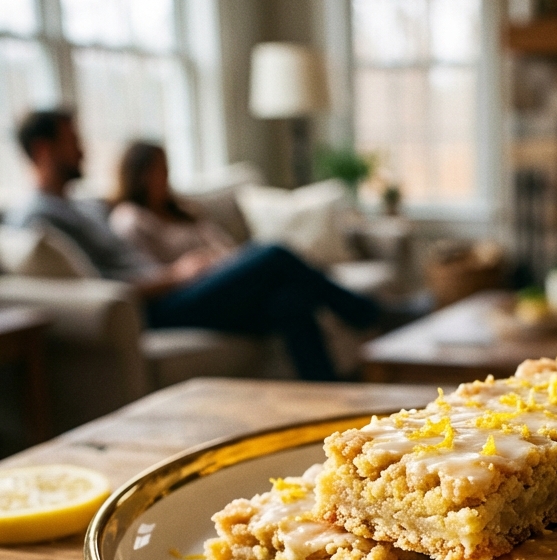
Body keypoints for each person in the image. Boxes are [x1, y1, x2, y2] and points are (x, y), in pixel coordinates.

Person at [9, 110, 379, 381]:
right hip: (153, 306)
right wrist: (176, 274)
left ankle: (331, 403)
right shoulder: (38, 216)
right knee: (273, 254)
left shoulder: (80, 205)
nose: (84, 151)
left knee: (291, 301)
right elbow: (101, 287)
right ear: (43, 149)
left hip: (171, 290)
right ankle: (370, 314)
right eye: (73, 142)